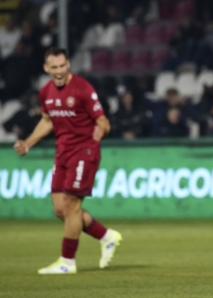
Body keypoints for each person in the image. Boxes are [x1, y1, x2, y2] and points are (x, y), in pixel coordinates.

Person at [13, 47, 122, 274]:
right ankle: (106, 236)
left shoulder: (83, 88)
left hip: (84, 151)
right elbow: (47, 120)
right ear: (47, 68)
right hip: (62, 152)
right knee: (60, 210)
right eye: (54, 67)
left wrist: (101, 130)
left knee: (72, 205)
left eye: (63, 66)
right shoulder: (45, 92)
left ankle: (67, 261)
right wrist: (28, 143)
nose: (59, 71)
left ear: (68, 64)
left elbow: (103, 121)